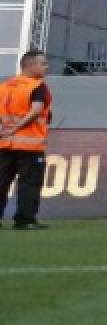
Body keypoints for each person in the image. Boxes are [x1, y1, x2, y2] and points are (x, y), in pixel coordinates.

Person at [0, 50, 52, 230]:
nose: (47, 67)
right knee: (29, 183)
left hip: (5, 144)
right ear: (29, 65)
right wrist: (17, 127)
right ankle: (25, 220)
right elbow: (36, 110)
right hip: (30, 145)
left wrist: (7, 130)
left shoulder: (5, 86)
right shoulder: (37, 86)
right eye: (43, 63)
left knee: (1, 182)